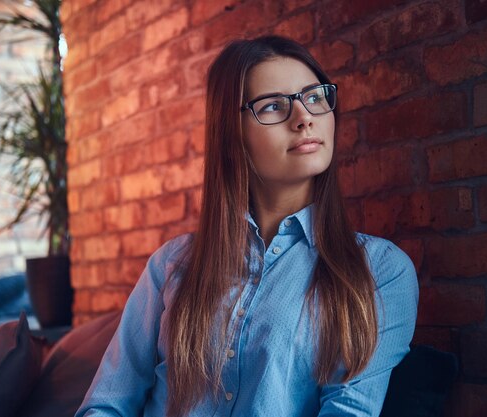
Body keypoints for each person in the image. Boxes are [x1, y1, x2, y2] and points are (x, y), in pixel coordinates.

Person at [75, 35, 418, 417]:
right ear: (232, 132)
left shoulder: (379, 271)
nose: (304, 117)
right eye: (273, 106)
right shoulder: (172, 263)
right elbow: (106, 404)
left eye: (315, 97)